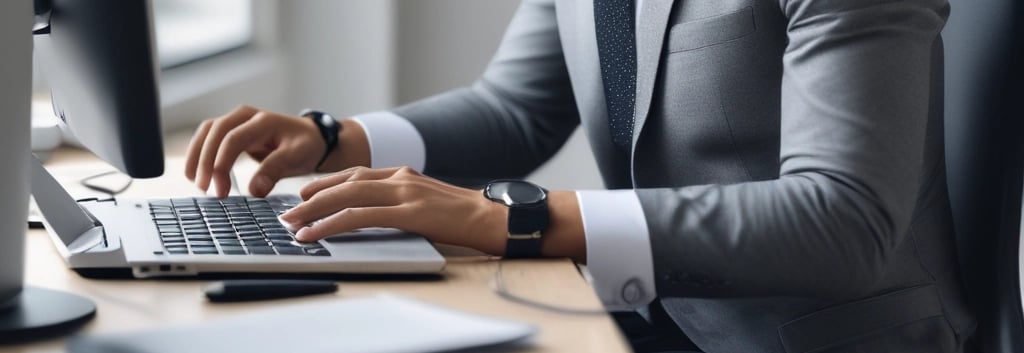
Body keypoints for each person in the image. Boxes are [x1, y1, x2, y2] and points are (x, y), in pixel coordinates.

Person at [185, 0, 975, 352]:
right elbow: (517, 107)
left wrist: (516, 220)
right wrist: (336, 139)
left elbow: (843, 220)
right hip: (660, 316)